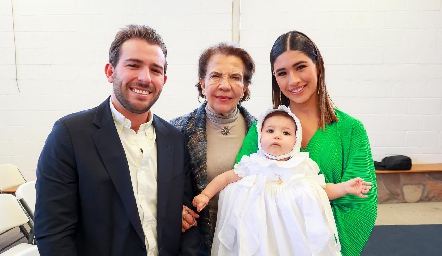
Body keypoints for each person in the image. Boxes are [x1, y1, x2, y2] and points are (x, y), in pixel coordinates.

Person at [34, 24, 199, 256]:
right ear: (110, 71)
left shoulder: (174, 138)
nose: (145, 78)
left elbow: (188, 219)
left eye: (155, 70)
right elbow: (53, 233)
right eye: (133, 65)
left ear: (164, 78)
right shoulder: (70, 134)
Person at [236, 30, 378, 256]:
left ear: (318, 66)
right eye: (282, 73)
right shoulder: (261, 130)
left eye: (300, 67)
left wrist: (318, 243)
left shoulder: (350, 130)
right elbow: (243, 190)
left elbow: (360, 204)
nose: (293, 80)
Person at [193, 106, 372, 255]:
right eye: (270, 131)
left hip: (292, 233)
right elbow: (225, 178)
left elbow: (322, 190)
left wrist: (345, 187)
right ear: (260, 136)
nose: (277, 136)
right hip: (259, 232)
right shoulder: (253, 164)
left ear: (296, 140)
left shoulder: (302, 165)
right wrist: (205, 195)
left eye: (286, 133)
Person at [170, 42, 256, 255]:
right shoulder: (175, 131)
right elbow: (156, 186)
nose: (225, 85)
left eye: (235, 77)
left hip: (248, 244)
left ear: (245, 86)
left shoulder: (264, 133)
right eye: (215, 76)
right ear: (202, 83)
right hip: (195, 246)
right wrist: (172, 211)